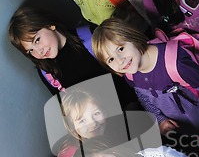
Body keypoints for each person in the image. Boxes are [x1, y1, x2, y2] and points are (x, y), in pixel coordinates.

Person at [92, 18, 199, 139]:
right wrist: (160, 119)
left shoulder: (177, 65)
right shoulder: (130, 74)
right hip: (188, 134)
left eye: (120, 49)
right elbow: (144, 98)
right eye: (110, 59)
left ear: (133, 38)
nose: (120, 61)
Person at [8, 6, 136, 108]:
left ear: (50, 25)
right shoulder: (47, 72)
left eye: (37, 40)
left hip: (133, 102)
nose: (39, 51)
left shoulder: (90, 37)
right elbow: (69, 108)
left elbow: (129, 66)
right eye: (30, 51)